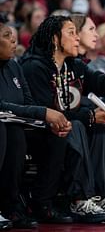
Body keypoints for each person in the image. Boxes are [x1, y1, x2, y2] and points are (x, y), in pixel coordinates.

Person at [21, 16, 105, 223]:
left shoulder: (74, 65)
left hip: (69, 127)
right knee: (77, 125)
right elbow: (49, 113)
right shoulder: (34, 67)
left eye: (77, 33)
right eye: (71, 33)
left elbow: (104, 86)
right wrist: (91, 116)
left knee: (100, 128)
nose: (77, 38)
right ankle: (79, 199)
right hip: (40, 132)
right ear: (55, 39)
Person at [0, 14, 70, 229]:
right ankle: (10, 206)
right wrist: (43, 112)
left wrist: (48, 120)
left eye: (14, 36)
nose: (14, 40)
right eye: (6, 36)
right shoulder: (30, 64)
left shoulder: (15, 66)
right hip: (7, 129)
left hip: (20, 126)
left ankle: (42, 203)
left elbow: (27, 102)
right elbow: (2, 106)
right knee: (12, 133)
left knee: (56, 135)